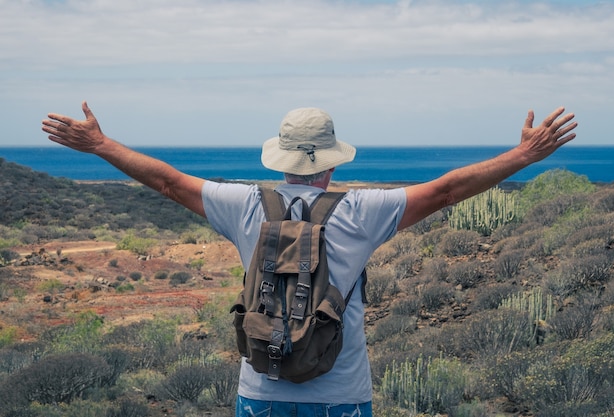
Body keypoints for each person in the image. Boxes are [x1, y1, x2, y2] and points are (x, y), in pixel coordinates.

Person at [42, 102, 577, 417]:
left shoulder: (243, 204)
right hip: (340, 393)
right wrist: (523, 156)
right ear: (330, 160)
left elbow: (166, 180)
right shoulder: (363, 211)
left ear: (281, 157)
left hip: (260, 388)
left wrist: (101, 144)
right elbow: (444, 192)